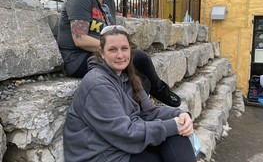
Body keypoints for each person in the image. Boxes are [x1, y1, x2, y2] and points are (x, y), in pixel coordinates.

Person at [57, 0, 180, 107]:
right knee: (139, 67)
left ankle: (155, 93)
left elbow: (111, 33)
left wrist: (121, 49)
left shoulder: (108, 1)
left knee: (141, 67)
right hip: (78, 59)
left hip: (102, 53)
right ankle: (151, 99)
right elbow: (80, 39)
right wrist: (120, 50)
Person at [63, 25, 196, 162]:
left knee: (177, 136)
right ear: (102, 53)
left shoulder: (128, 76)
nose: (120, 55)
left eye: (124, 49)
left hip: (121, 146)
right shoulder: (98, 84)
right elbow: (124, 133)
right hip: (100, 154)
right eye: (112, 50)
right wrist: (173, 126)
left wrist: (179, 116)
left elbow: (149, 112)